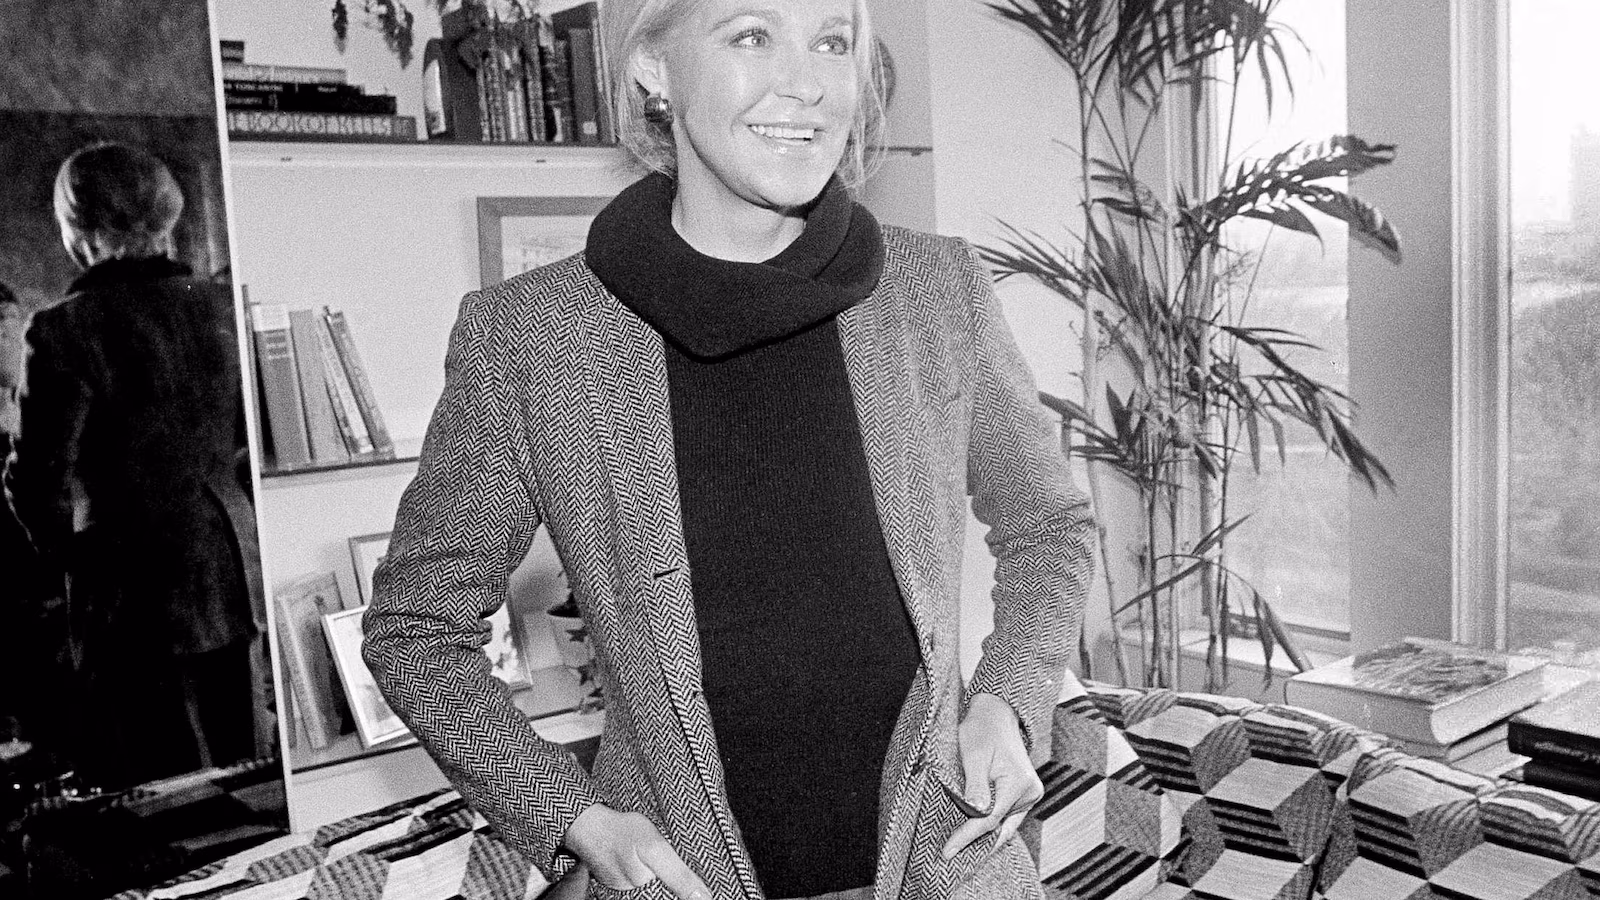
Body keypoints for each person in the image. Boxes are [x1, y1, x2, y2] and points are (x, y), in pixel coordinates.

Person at [362, 0, 1094, 898]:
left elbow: (1049, 525)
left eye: (833, 41)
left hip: (949, 866)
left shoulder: (938, 291)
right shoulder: (533, 336)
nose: (807, 83)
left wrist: (1009, 701)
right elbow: (415, 629)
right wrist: (575, 818)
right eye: (752, 34)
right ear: (653, 69)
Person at [6, 142, 268, 791]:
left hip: (128, 592)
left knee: (158, 786)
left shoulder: (64, 328)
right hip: (230, 569)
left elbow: (37, 483)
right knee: (247, 766)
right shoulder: (220, 307)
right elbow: (248, 443)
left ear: (80, 229)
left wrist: (70, 558)